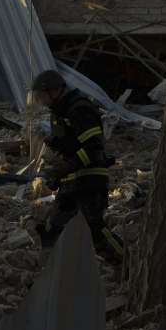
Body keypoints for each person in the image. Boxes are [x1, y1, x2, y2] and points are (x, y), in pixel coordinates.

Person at [28, 69, 125, 263]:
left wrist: (66, 166)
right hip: (72, 181)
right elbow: (70, 144)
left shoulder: (80, 109)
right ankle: (56, 276)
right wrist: (55, 149)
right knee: (55, 228)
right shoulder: (60, 111)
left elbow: (93, 148)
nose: (41, 102)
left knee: (94, 229)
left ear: (54, 91)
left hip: (89, 178)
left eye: (41, 96)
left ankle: (127, 264)